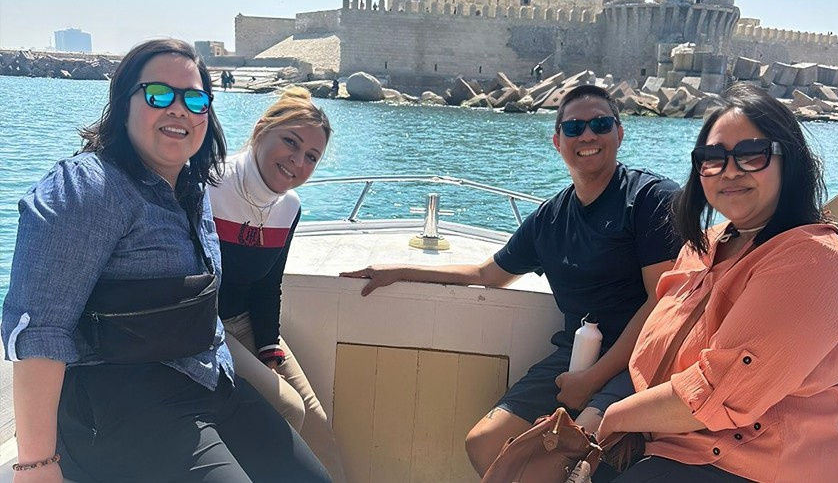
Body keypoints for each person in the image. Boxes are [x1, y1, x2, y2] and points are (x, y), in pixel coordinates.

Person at [1, 39, 330, 482]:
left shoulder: (192, 190)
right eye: (158, 94)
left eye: (194, 100)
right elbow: (39, 330)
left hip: (204, 381)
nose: (179, 109)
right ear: (124, 102)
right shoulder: (88, 188)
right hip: (116, 403)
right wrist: (36, 464)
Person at [342, 84, 683, 476]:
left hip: (641, 359)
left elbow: (662, 301)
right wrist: (400, 271)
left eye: (600, 124)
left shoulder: (650, 198)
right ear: (557, 141)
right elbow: (487, 274)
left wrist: (593, 379)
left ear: (619, 133)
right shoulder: (550, 218)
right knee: (485, 443)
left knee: (572, 457)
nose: (588, 135)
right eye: (574, 128)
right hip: (575, 356)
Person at [595, 82, 838, 482]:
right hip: (665, 440)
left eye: (752, 154)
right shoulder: (706, 244)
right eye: (712, 158)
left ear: (789, 161)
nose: (730, 170)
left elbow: (715, 392)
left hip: (749, 465)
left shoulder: (813, 261)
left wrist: (614, 417)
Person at [208, 87, 348, 482]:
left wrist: (269, 351)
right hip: (204, 325)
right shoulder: (209, 184)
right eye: (291, 142)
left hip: (246, 322)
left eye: (312, 157)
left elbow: (268, 286)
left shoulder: (289, 207)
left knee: (316, 422)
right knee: (288, 408)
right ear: (261, 130)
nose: (298, 162)